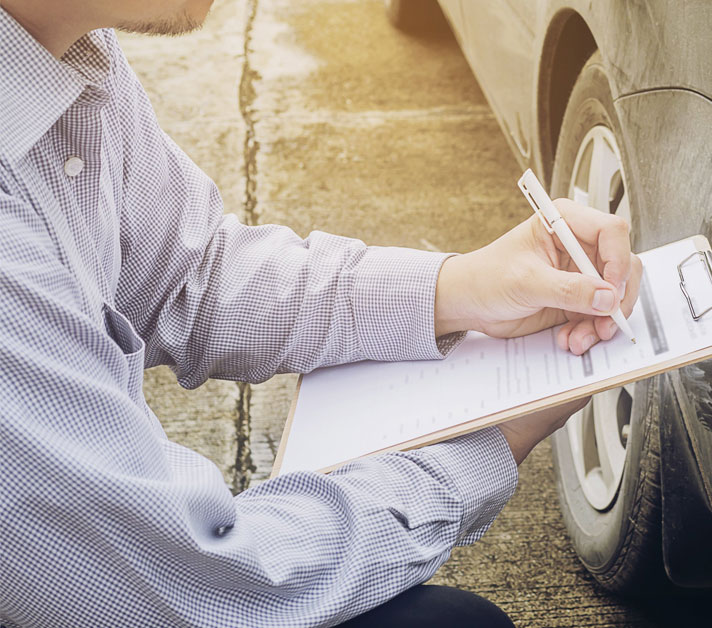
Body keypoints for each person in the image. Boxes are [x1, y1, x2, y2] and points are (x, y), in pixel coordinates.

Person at [0, 0, 642, 626]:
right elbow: (197, 586)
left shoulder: (70, 55)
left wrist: (459, 288)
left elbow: (191, 276)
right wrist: (485, 444)